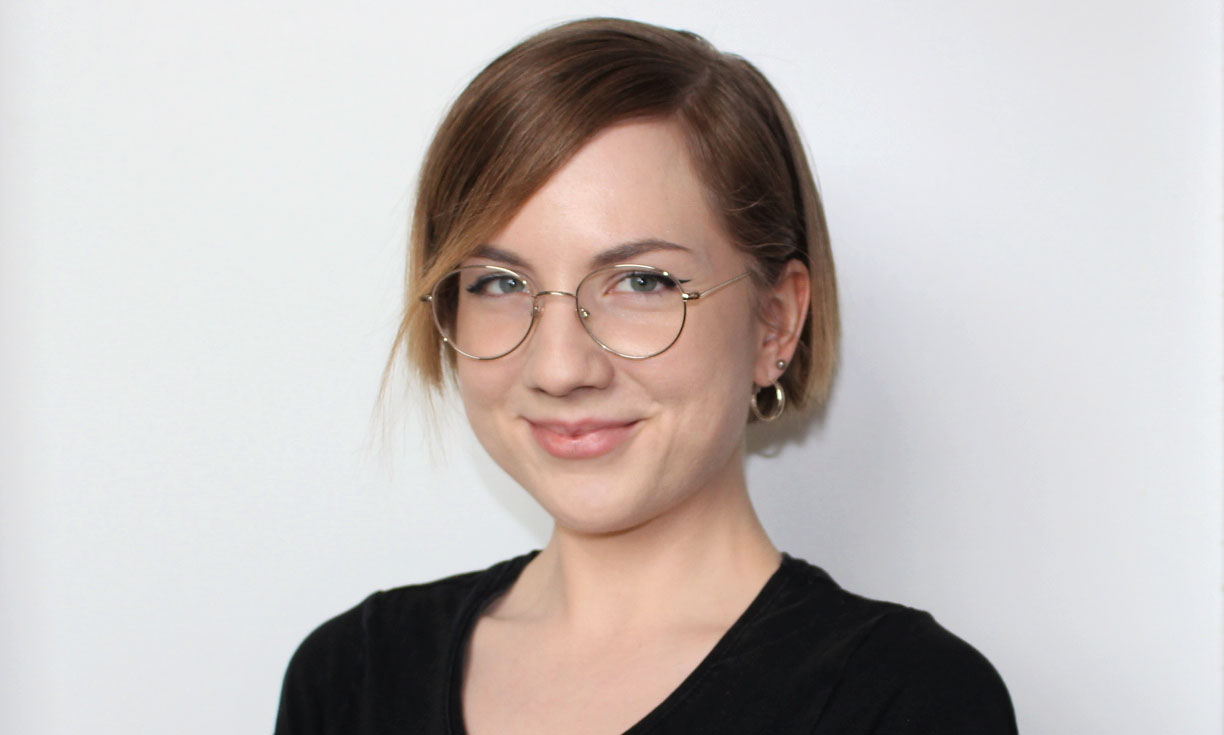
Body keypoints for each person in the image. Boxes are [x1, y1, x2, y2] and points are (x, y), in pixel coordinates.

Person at [275, 17, 1017, 735]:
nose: (559, 368)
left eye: (642, 281)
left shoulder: (906, 701)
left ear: (776, 322)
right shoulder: (351, 678)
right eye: (499, 283)